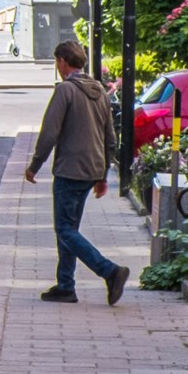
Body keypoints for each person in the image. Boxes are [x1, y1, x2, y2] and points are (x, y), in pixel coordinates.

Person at [27, 37, 127, 305]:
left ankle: (110, 271)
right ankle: (65, 285)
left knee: (65, 230)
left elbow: (49, 132)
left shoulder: (65, 91)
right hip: (92, 169)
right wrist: (103, 174)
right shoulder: (99, 91)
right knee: (69, 227)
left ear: (62, 61)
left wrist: (35, 165)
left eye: (56, 62)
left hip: (70, 169)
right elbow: (110, 137)